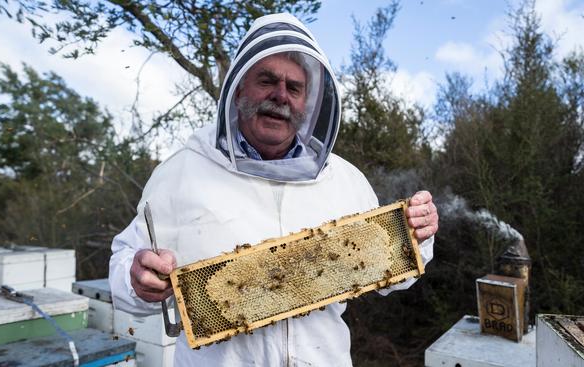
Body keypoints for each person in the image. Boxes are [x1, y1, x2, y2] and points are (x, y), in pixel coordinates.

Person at [109, 13, 439, 366]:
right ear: (237, 90)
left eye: (294, 87)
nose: (280, 96)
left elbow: (392, 276)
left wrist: (417, 235)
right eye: (266, 80)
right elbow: (126, 262)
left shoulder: (345, 180)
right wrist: (136, 279)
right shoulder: (180, 173)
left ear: (307, 103)